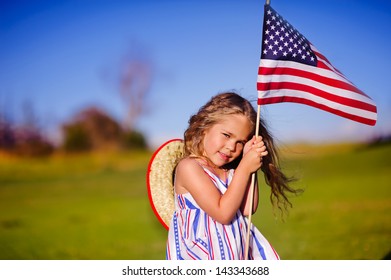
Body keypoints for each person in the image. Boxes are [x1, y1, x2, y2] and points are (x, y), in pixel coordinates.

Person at [166, 92, 299, 260]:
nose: (231, 147)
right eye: (227, 135)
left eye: (240, 142)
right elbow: (223, 212)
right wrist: (244, 169)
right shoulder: (189, 167)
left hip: (235, 251)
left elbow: (247, 208)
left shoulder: (231, 171)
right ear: (205, 127)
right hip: (205, 255)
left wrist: (250, 162)